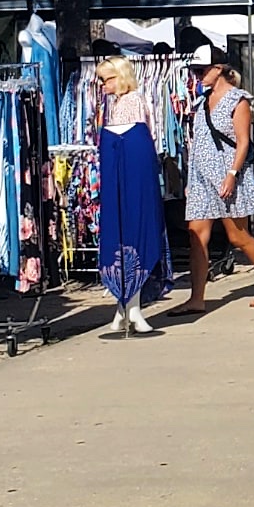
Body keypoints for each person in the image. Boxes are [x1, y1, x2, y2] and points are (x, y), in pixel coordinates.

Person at [176, 49, 254, 311]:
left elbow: (243, 142)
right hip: (202, 177)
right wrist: (192, 179)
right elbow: (199, 142)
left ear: (218, 69)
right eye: (195, 71)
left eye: (201, 70)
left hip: (227, 175)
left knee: (237, 236)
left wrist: (232, 174)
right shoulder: (201, 102)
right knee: (196, 236)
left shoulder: (238, 101)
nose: (197, 75)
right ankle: (196, 298)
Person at [95, 56, 171, 335]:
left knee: (133, 236)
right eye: (102, 80)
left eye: (108, 78)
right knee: (124, 239)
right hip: (123, 182)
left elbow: (135, 142)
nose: (103, 85)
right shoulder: (115, 104)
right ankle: (124, 310)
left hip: (132, 182)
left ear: (122, 76)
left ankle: (130, 309)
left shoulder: (133, 101)